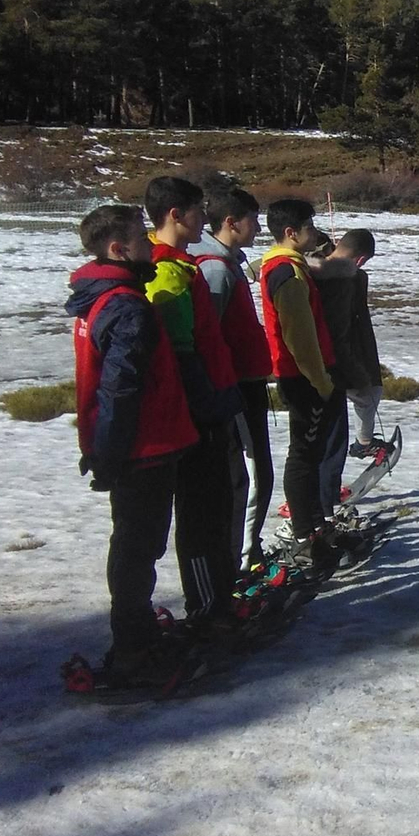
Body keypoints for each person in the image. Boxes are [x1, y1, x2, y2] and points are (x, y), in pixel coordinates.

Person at [66, 205, 201, 686]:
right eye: (141, 242)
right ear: (118, 249)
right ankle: (132, 649)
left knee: (135, 545)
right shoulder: (124, 304)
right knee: (137, 548)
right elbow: (120, 386)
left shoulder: (101, 298)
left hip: (134, 444)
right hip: (141, 448)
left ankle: (138, 636)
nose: (150, 247)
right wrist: (111, 454)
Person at [143, 175, 245, 628]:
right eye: (198, 210)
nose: (204, 218)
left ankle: (222, 592)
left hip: (214, 398)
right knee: (201, 510)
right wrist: (204, 405)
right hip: (197, 407)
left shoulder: (182, 265)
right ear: (175, 215)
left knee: (220, 500)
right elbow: (179, 354)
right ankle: (207, 606)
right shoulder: (163, 271)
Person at [259, 198, 351, 568]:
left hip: (306, 376)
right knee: (304, 454)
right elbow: (299, 337)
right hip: (304, 378)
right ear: (290, 232)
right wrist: (321, 381)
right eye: (309, 227)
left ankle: (313, 525)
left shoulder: (291, 267)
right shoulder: (288, 273)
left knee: (310, 454)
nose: (314, 233)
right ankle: (304, 532)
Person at [188, 186, 274, 571]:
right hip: (234, 387)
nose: (258, 227)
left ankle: (244, 550)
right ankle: (241, 558)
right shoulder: (215, 270)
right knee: (253, 475)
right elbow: (210, 336)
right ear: (230, 222)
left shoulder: (231, 263)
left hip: (245, 381)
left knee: (259, 473)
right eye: (253, 220)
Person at [316, 228, 385, 510]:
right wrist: (358, 373)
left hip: (325, 361)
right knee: (330, 442)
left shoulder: (321, 264)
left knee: (325, 440)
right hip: (332, 363)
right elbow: (339, 333)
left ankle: (321, 497)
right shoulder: (341, 281)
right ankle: (321, 502)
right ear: (359, 259)